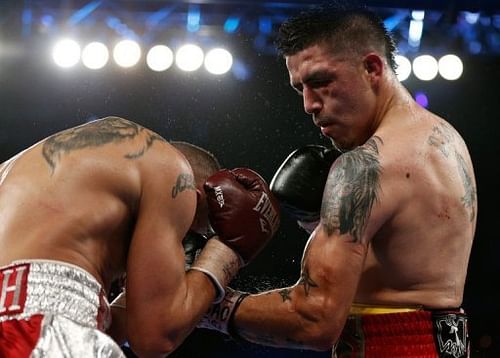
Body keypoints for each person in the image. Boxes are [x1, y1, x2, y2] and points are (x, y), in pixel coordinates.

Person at [197, 3, 477, 358]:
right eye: (300, 88)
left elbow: (314, 320)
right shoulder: (445, 137)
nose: (309, 104)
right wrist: (316, 222)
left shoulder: (364, 167)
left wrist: (209, 302)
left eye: (320, 82)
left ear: (372, 68)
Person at [0, 116, 280, 357]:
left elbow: (82, 324)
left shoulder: (27, 168)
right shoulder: (171, 171)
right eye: (188, 235)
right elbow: (155, 338)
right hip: (36, 327)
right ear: (193, 199)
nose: (177, 253)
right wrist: (226, 252)